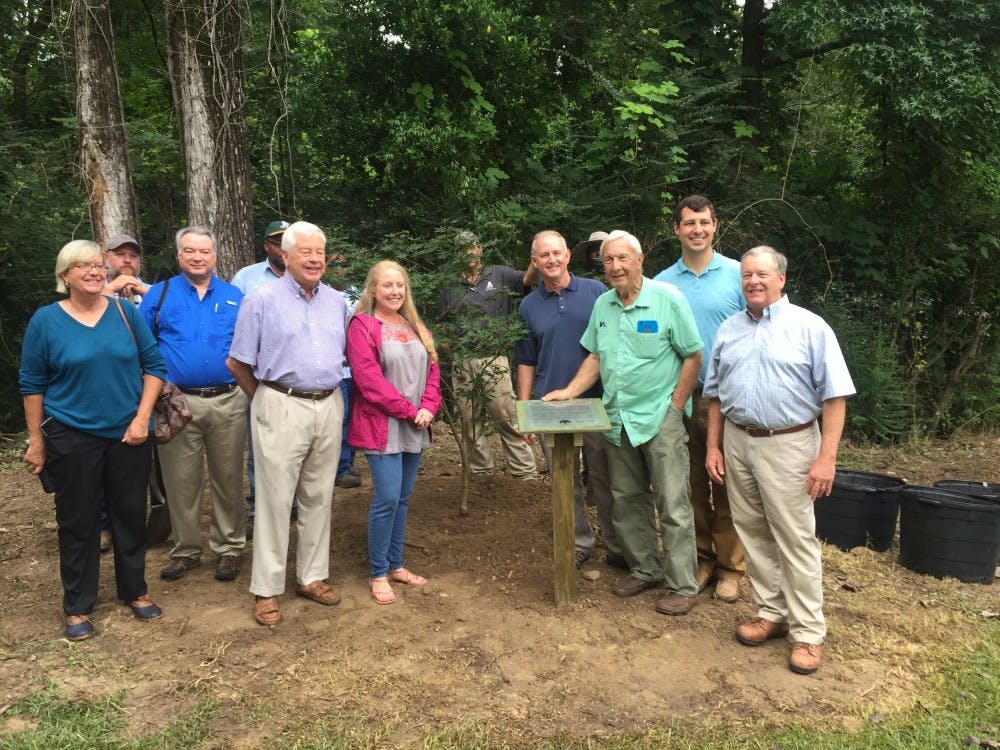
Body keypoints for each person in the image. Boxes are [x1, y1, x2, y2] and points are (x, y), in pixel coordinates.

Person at [704, 246, 855, 675]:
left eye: (762, 274)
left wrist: (826, 459)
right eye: (747, 274)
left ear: (781, 279)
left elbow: (835, 398)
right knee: (752, 531)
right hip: (737, 440)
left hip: (789, 444)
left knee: (795, 537)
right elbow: (713, 395)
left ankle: (808, 632)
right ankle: (771, 612)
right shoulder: (730, 329)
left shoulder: (810, 327)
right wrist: (714, 447)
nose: (753, 281)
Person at [543, 230, 703, 616]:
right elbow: (596, 357)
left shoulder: (667, 299)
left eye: (621, 259)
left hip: (659, 417)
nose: (614, 267)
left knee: (673, 503)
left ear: (639, 258)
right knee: (627, 500)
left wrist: (675, 406)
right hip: (618, 419)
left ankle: (682, 584)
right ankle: (645, 568)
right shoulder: (603, 306)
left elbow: (693, 356)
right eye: (608, 261)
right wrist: (569, 391)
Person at [19, 239, 167, 641]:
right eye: (82, 266)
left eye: (98, 265)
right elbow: (32, 384)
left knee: (129, 514)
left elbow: (153, 366)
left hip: (127, 433)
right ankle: (78, 604)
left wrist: (142, 420)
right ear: (64, 275)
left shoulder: (123, 313)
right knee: (78, 521)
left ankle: (134, 590)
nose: (94, 271)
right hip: (71, 434)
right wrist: (37, 440)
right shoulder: (46, 321)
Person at [227, 221, 348, 627]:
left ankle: (311, 576)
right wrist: (265, 399)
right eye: (305, 252)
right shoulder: (261, 299)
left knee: (319, 495)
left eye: (320, 253)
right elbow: (238, 361)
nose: (314, 259)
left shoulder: (336, 302)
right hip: (280, 403)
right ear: (286, 255)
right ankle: (267, 588)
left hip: (328, 405)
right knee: (275, 501)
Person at [653, 195, 746, 603]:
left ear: (715, 225)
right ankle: (701, 560)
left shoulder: (739, 275)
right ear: (676, 229)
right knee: (688, 487)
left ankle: (731, 568)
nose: (697, 229)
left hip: (725, 401)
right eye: (689, 223)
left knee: (726, 485)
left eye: (704, 222)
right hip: (681, 400)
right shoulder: (661, 282)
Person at [141, 227, 246, 583]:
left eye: (204, 251)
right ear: (178, 256)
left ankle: (229, 548)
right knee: (181, 481)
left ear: (215, 256)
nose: (197, 257)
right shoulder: (159, 295)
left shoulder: (235, 296)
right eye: (190, 251)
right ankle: (185, 550)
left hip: (229, 399)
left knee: (228, 477)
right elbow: (143, 347)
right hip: (177, 402)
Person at [514, 230, 622, 569]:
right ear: (534, 261)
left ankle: (618, 544)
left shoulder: (596, 292)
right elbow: (526, 360)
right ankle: (579, 542)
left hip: (597, 403)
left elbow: (613, 344)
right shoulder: (529, 305)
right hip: (549, 406)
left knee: (606, 477)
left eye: (556, 253)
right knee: (565, 480)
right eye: (543, 255)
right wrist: (524, 408)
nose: (551, 260)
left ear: (567, 256)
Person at [347, 261, 442, 604]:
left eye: (400, 285)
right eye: (387, 285)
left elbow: (434, 370)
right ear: (373, 289)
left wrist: (429, 407)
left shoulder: (415, 325)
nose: (395, 292)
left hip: (416, 424)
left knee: (402, 499)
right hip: (382, 426)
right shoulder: (362, 325)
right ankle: (377, 572)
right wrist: (410, 411)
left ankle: (396, 565)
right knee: (386, 499)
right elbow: (368, 380)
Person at [437, 231, 537, 480]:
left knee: (505, 413)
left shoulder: (499, 274)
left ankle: (523, 472)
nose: (467, 252)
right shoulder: (450, 284)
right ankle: (481, 472)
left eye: (471, 247)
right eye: (461, 249)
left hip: (494, 358)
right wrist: (450, 347)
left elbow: (527, 279)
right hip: (463, 360)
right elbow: (441, 323)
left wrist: (537, 260)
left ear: (479, 249)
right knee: (469, 417)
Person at [231, 219, 290, 537]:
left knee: (297, 447)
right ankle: (257, 507)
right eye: (277, 242)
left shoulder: (309, 279)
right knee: (261, 446)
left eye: (288, 241)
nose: (283, 248)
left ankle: (292, 504)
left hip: (296, 383)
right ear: (267, 246)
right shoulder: (246, 279)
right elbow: (235, 331)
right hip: (260, 379)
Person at [103, 233, 150, 304]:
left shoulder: (156, 293)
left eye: (133, 256)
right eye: (120, 254)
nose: (127, 260)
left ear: (139, 261)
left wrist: (149, 297)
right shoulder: (90, 292)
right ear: (105, 258)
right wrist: (108, 290)